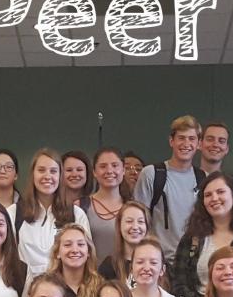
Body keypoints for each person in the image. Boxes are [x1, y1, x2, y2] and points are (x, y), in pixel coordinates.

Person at [170, 172, 233, 297]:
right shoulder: (192, 238)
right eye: (208, 195)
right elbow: (179, 283)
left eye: (220, 192)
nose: (214, 198)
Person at [12, 149, 92, 277]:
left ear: (60, 176)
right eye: (41, 170)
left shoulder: (76, 214)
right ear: (32, 175)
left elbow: (86, 257)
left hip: (64, 286)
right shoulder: (14, 212)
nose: (47, 176)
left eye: (53, 171)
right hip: (26, 286)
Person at [133, 115, 204, 255]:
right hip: (158, 259)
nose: (186, 144)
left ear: (199, 144)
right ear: (171, 141)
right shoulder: (151, 174)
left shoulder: (203, 178)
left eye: (191, 139)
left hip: (191, 260)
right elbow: (138, 220)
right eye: (181, 138)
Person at [46, 224, 105, 297]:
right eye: (67, 245)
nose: (74, 250)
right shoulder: (46, 286)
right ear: (57, 253)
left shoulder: (101, 287)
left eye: (81, 244)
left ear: (88, 252)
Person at [85, 147, 128, 249]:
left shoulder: (134, 207)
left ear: (123, 170)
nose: (109, 171)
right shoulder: (81, 206)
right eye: (103, 166)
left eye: (115, 165)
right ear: (94, 172)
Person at [99, 200, 151, 283]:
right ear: (119, 226)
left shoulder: (158, 264)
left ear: (147, 227)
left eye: (140, 221)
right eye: (129, 221)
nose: (135, 227)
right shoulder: (109, 266)